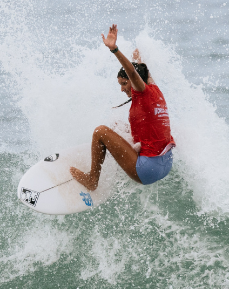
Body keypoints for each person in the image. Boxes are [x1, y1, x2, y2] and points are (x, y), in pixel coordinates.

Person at [70, 24, 176, 190]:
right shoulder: (155, 90)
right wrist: (138, 56)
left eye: (125, 84)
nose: (122, 89)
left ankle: (92, 180)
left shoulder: (141, 91)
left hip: (148, 170)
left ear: (134, 82)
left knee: (100, 131)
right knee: (118, 127)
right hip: (165, 163)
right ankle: (109, 154)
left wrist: (114, 49)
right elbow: (141, 70)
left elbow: (133, 72)